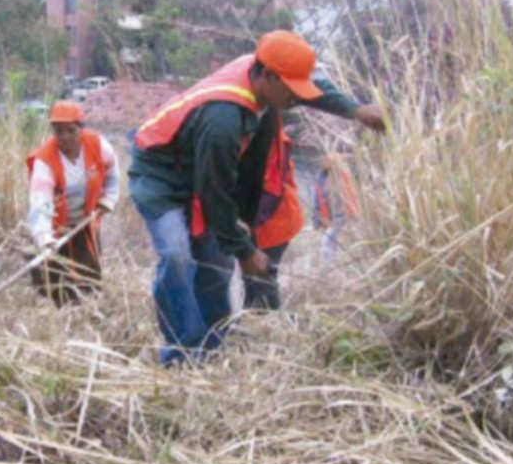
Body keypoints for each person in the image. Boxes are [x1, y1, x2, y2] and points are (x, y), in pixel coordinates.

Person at [130, 30, 371, 365]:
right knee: (177, 256)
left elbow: (312, 88)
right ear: (269, 77)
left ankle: (212, 347)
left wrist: (356, 111)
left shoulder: (261, 75)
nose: (296, 100)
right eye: (291, 91)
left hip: (202, 172)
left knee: (216, 263)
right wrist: (244, 249)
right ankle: (181, 352)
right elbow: (215, 192)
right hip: (162, 178)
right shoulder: (223, 120)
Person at [244, 66, 384, 310]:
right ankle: (260, 317)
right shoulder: (253, 115)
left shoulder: (335, 174)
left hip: (275, 219)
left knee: (262, 279)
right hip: (267, 218)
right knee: (258, 278)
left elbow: (341, 200)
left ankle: (263, 319)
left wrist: (355, 110)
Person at [26, 100, 120, 307]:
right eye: (59, 131)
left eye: (71, 130)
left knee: (89, 280)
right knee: (52, 284)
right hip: (53, 227)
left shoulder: (98, 146)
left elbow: (113, 177)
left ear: (81, 128)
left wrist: (107, 200)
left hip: (85, 222)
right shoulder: (45, 161)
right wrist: (45, 238)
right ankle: (57, 320)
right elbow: (40, 204)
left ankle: (88, 314)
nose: (65, 137)